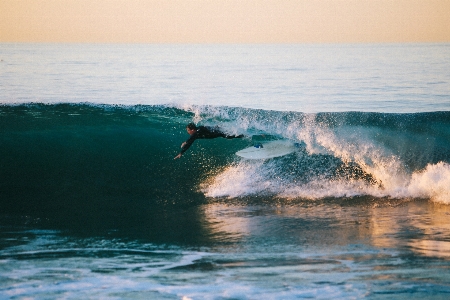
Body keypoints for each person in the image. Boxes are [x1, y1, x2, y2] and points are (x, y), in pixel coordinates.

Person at [174, 123, 244, 159]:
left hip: (218, 131)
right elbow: (189, 143)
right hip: (218, 132)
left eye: (188, 130)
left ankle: (243, 135)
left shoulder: (199, 130)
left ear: (192, 130)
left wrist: (186, 141)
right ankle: (242, 134)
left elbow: (191, 139)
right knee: (228, 136)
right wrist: (181, 153)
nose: (188, 132)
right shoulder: (195, 135)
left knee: (228, 136)